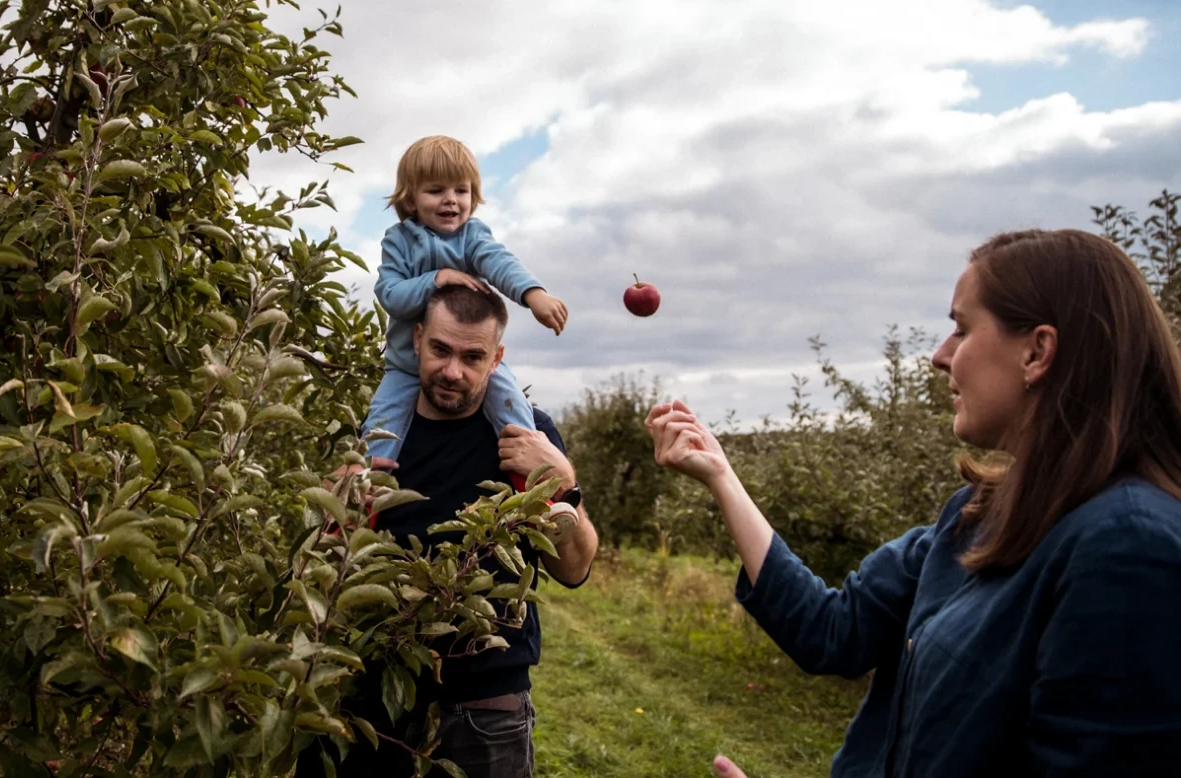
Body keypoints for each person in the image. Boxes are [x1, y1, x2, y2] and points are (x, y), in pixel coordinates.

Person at [646, 229, 1181, 778]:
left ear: (1037, 351)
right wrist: (722, 476)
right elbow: (834, 632)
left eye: (962, 329)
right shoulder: (975, 516)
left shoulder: (1128, 551)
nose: (940, 355)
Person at [305, 283, 599, 778]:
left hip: (485, 702)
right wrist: (333, 512)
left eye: (472, 357)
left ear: (496, 359)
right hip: (367, 685)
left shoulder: (529, 435)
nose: (452, 371)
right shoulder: (376, 436)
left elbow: (573, 570)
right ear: (417, 339)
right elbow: (326, 564)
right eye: (440, 349)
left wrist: (563, 483)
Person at [362, 135, 569, 469]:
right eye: (436, 190)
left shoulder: (473, 237)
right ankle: (366, 489)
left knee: (512, 404)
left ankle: (532, 478)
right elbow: (391, 295)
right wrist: (437, 278)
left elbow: (500, 263)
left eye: (461, 190)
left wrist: (533, 294)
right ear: (411, 199)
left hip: (471, 365)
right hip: (404, 365)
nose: (451, 200)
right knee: (381, 425)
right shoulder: (399, 242)